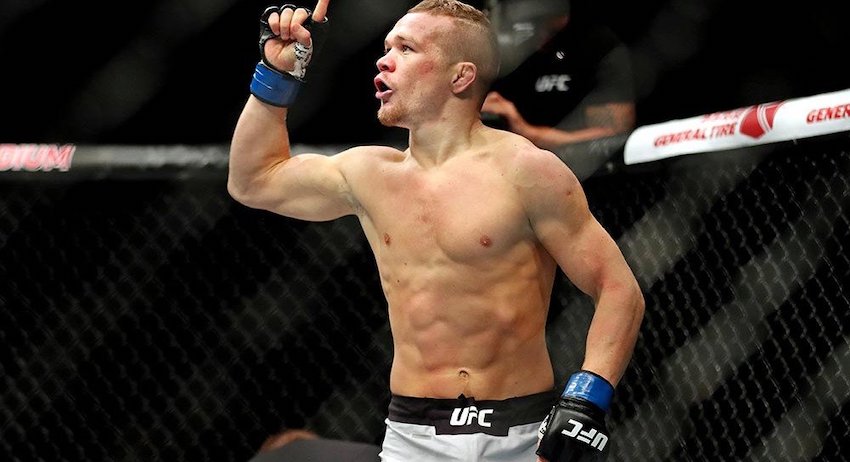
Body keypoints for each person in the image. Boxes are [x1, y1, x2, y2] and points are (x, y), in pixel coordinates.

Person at [228, 0, 645, 461]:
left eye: (406, 49)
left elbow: (617, 289)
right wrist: (278, 74)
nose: (384, 60)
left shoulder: (526, 171)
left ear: (461, 76)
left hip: (523, 434)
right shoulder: (369, 174)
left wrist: (585, 400)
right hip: (412, 436)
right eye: (386, 47)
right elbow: (253, 181)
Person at [481, 0, 636, 151]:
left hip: (575, 161)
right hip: (510, 156)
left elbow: (613, 135)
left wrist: (526, 132)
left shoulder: (595, 45)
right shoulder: (507, 49)